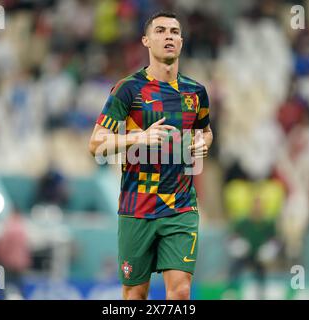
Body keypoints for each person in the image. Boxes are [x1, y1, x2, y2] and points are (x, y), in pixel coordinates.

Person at [89, 11, 213, 300]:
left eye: (174, 31)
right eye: (160, 31)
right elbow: (96, 143)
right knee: (135, 295)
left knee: (180, 292)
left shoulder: (196, 93)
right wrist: (139, 137)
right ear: (146, 40)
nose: (168, 36)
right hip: (137, 206)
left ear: (181, 41)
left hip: (180, 207)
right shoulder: (128, 89)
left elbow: (206, 131)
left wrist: (204, 142)